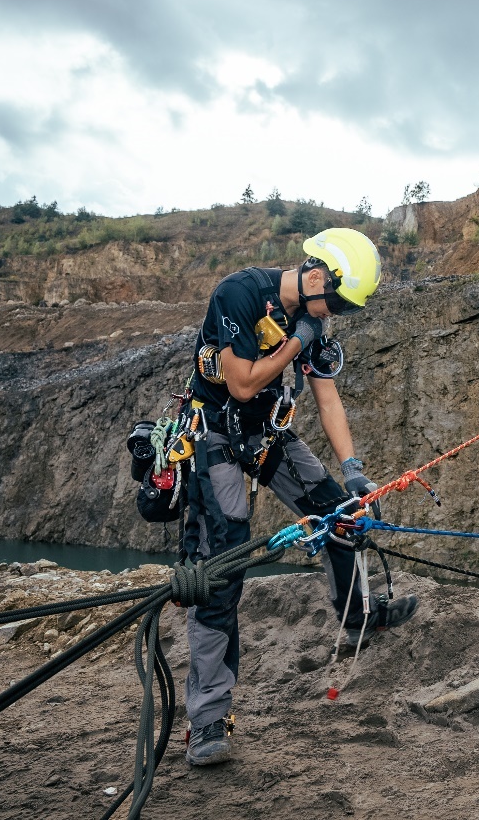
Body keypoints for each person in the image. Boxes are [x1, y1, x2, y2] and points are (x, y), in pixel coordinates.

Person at [179, 227, 417, 767]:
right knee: (224, 559)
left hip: (265, 436)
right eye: (334, 300)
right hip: (215, 433)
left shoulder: (312, 323)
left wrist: (353, 472)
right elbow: (240, 383)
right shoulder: (237, 294)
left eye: (342, 309)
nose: (334, 313)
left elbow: (327, 399)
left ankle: (357, 615)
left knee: (341, 513)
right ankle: (208, 716)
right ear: (316, 274)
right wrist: (297, 341)